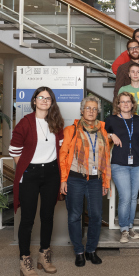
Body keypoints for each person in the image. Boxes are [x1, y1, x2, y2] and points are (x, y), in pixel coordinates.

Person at [9, 87, 64, 276]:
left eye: (48, 98)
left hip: (51, 173)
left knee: (48, 216)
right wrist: (24, 169)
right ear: (34, 101)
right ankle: (25, 260)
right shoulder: (25, 123)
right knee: (28, 219)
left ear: (51, 102)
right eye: (40, 97)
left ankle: (44, 255)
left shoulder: (56, 122)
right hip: (30, 174)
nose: (44, 100)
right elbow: (14, 150)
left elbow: (60, 147)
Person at [59, 96, 110, 267]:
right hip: (75, 178)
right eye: (88, 108)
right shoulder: (71, 130)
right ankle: (79, 252)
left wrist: (106, 182)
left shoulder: (102, 132)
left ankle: (91, 250)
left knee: (96, 215)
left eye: (94, 109)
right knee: (75, 216)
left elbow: (106, 159)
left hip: (95, 179)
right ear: (81, 111)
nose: (91, 111)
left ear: (98, 112)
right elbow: (63, 156)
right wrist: (63, 180)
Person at [106, 92, 139, 244]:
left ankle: (130, 226)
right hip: (119, 164)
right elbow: (100, 135)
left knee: (133, 197)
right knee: (125, 197)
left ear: (132, 104)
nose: (125, 104)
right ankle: (124, 229)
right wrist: (111, 135)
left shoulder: (137, 120)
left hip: (137, 163)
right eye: (122, 102)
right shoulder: (111, 120)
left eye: (128, 102)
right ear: (118, 104)